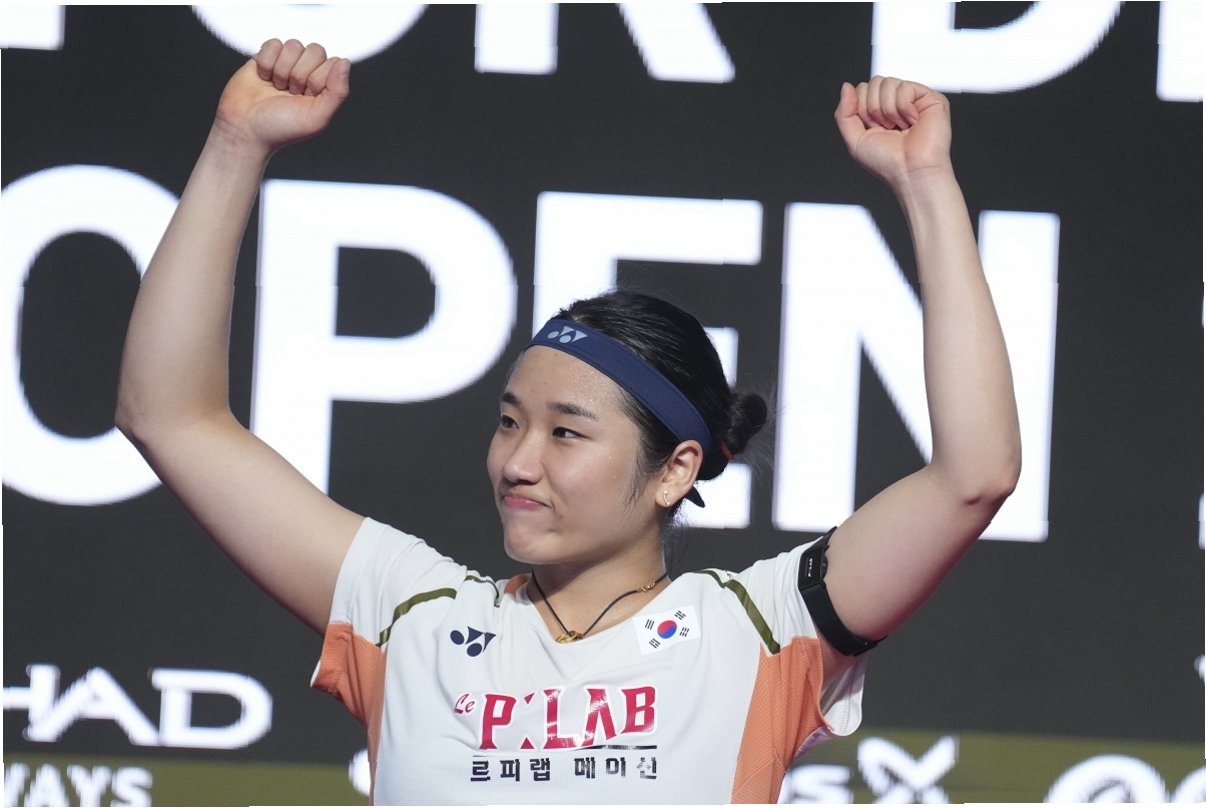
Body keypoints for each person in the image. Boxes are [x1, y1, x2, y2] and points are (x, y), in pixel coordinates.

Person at [116, 39, 1021, 805]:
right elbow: (170, 418)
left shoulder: (761, 626)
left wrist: (925, 184)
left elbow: (974, 476)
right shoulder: (411, 613)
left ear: (675, 469)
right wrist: (236, 144)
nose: (518, 461)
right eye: (510, 422)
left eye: (566, 432)